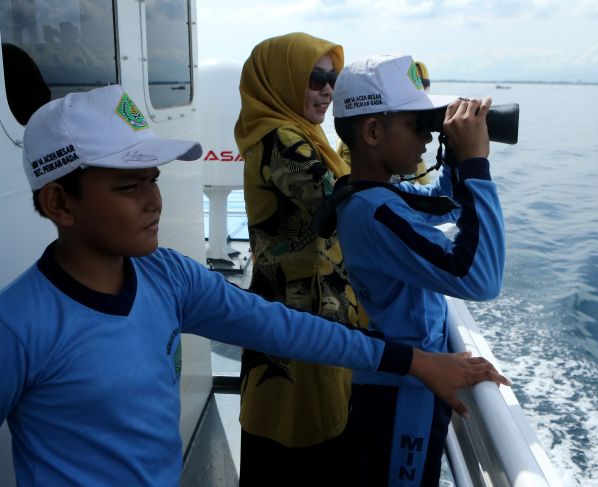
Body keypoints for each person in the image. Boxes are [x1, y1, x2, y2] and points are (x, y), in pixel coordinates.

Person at [0, 84, 507, 486]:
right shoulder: (18, 326)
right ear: (59, 204)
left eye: (153, 179)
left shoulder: (168, 278)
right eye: (129, 186)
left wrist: (416, 362)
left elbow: (281, 327)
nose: (154, 200)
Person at [319, 54, 511, 486]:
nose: (427, 136)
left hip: (408, 377)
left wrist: (461, 156)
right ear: (372, 131)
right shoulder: (375, 211)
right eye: (416, 124)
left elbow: (439, 201)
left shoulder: (372, 193)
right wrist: (476, 167)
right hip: (400, 395)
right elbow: (478, 279)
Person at [232, 32, 360, 485]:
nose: (328, 90)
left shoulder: (302, 134)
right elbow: (341, 198)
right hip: (296, 319)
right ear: (283, 80)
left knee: (294, 429)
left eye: (335, 79)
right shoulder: (281, 139)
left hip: (300, 314)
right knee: (296, 442)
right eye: (316, 78)